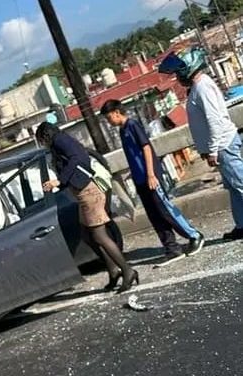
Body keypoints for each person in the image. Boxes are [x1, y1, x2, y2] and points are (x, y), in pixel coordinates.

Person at [36, 122, 139, 293]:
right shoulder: (58, 143)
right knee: (87, 235)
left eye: (40, 140)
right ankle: (113, 270)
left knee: (99, 236)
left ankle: (127, 270)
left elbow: (79, 157)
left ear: (45, 136)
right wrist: (59, 183)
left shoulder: (60, 140)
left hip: (89, 193)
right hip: (83, 194)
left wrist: (60, 180)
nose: (42, 144)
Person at [101, 99, 205, 265]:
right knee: (154, 215)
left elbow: (146, 148)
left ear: (116, 113)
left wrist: (150, 174)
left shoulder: (133, 125)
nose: (108, 122)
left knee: (165, 210)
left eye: (108, 118)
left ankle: (194, 235)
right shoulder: (122, 131)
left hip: (150, 177)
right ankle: (171, 248)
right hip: (139, 179)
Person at [159, 46, 243, 241]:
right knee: (233, 188)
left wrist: (212, 150)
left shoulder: (202, 86)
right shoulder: (198, 86)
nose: (178, 76)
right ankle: (241, 225)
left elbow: (214, 120)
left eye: (179, 71)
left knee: (240, 184)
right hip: (220, 145)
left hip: (223, 145)